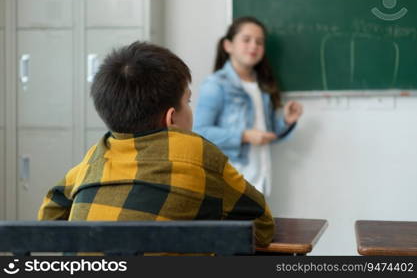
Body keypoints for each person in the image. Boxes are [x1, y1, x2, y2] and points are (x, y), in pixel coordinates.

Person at [38, 41, 274, 247]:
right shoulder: (197, 152)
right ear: (171, 118)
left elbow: (50, 213)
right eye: (188, 101)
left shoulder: (95, 156)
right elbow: (261, 225)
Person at [194, 17, 303, 196]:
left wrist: (285, 121)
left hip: (261, 178)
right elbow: (200, 132)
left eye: (259, 42)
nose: (254, 46)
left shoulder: (262, 87)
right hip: (231, 182)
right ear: (228, 45)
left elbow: (265, 134)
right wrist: (244, 136)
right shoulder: (215, 84)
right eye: (246, 40)